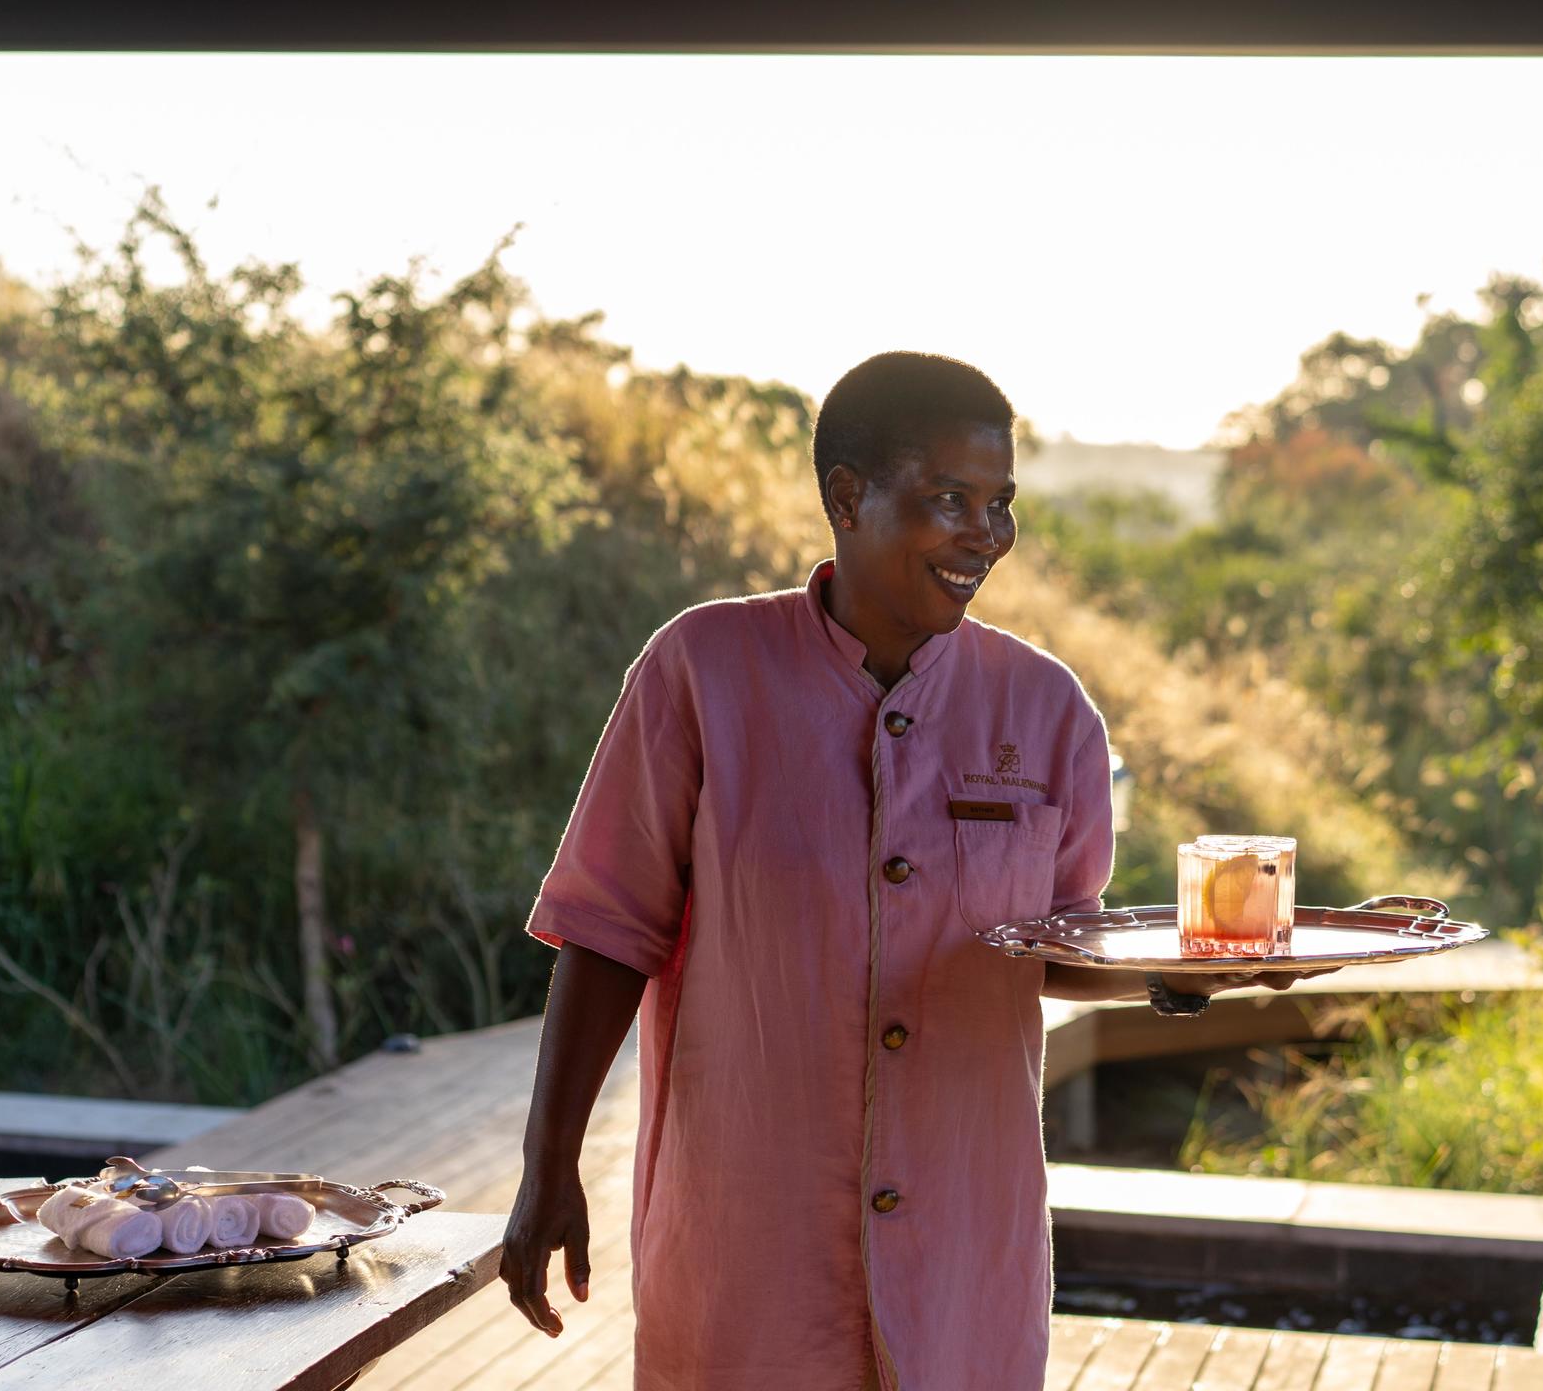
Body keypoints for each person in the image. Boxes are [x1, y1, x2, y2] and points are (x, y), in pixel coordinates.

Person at [499, 351, 1306, 1390]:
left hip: (964, 1255)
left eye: (1001, 503)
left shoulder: (1047, 710)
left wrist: (1195, 973)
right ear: (847, 497)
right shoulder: (700, 672)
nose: (988, 534)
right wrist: (549, 1164)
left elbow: (1056, 945)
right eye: (950, 499)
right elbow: (608, 933)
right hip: (751, 1251)